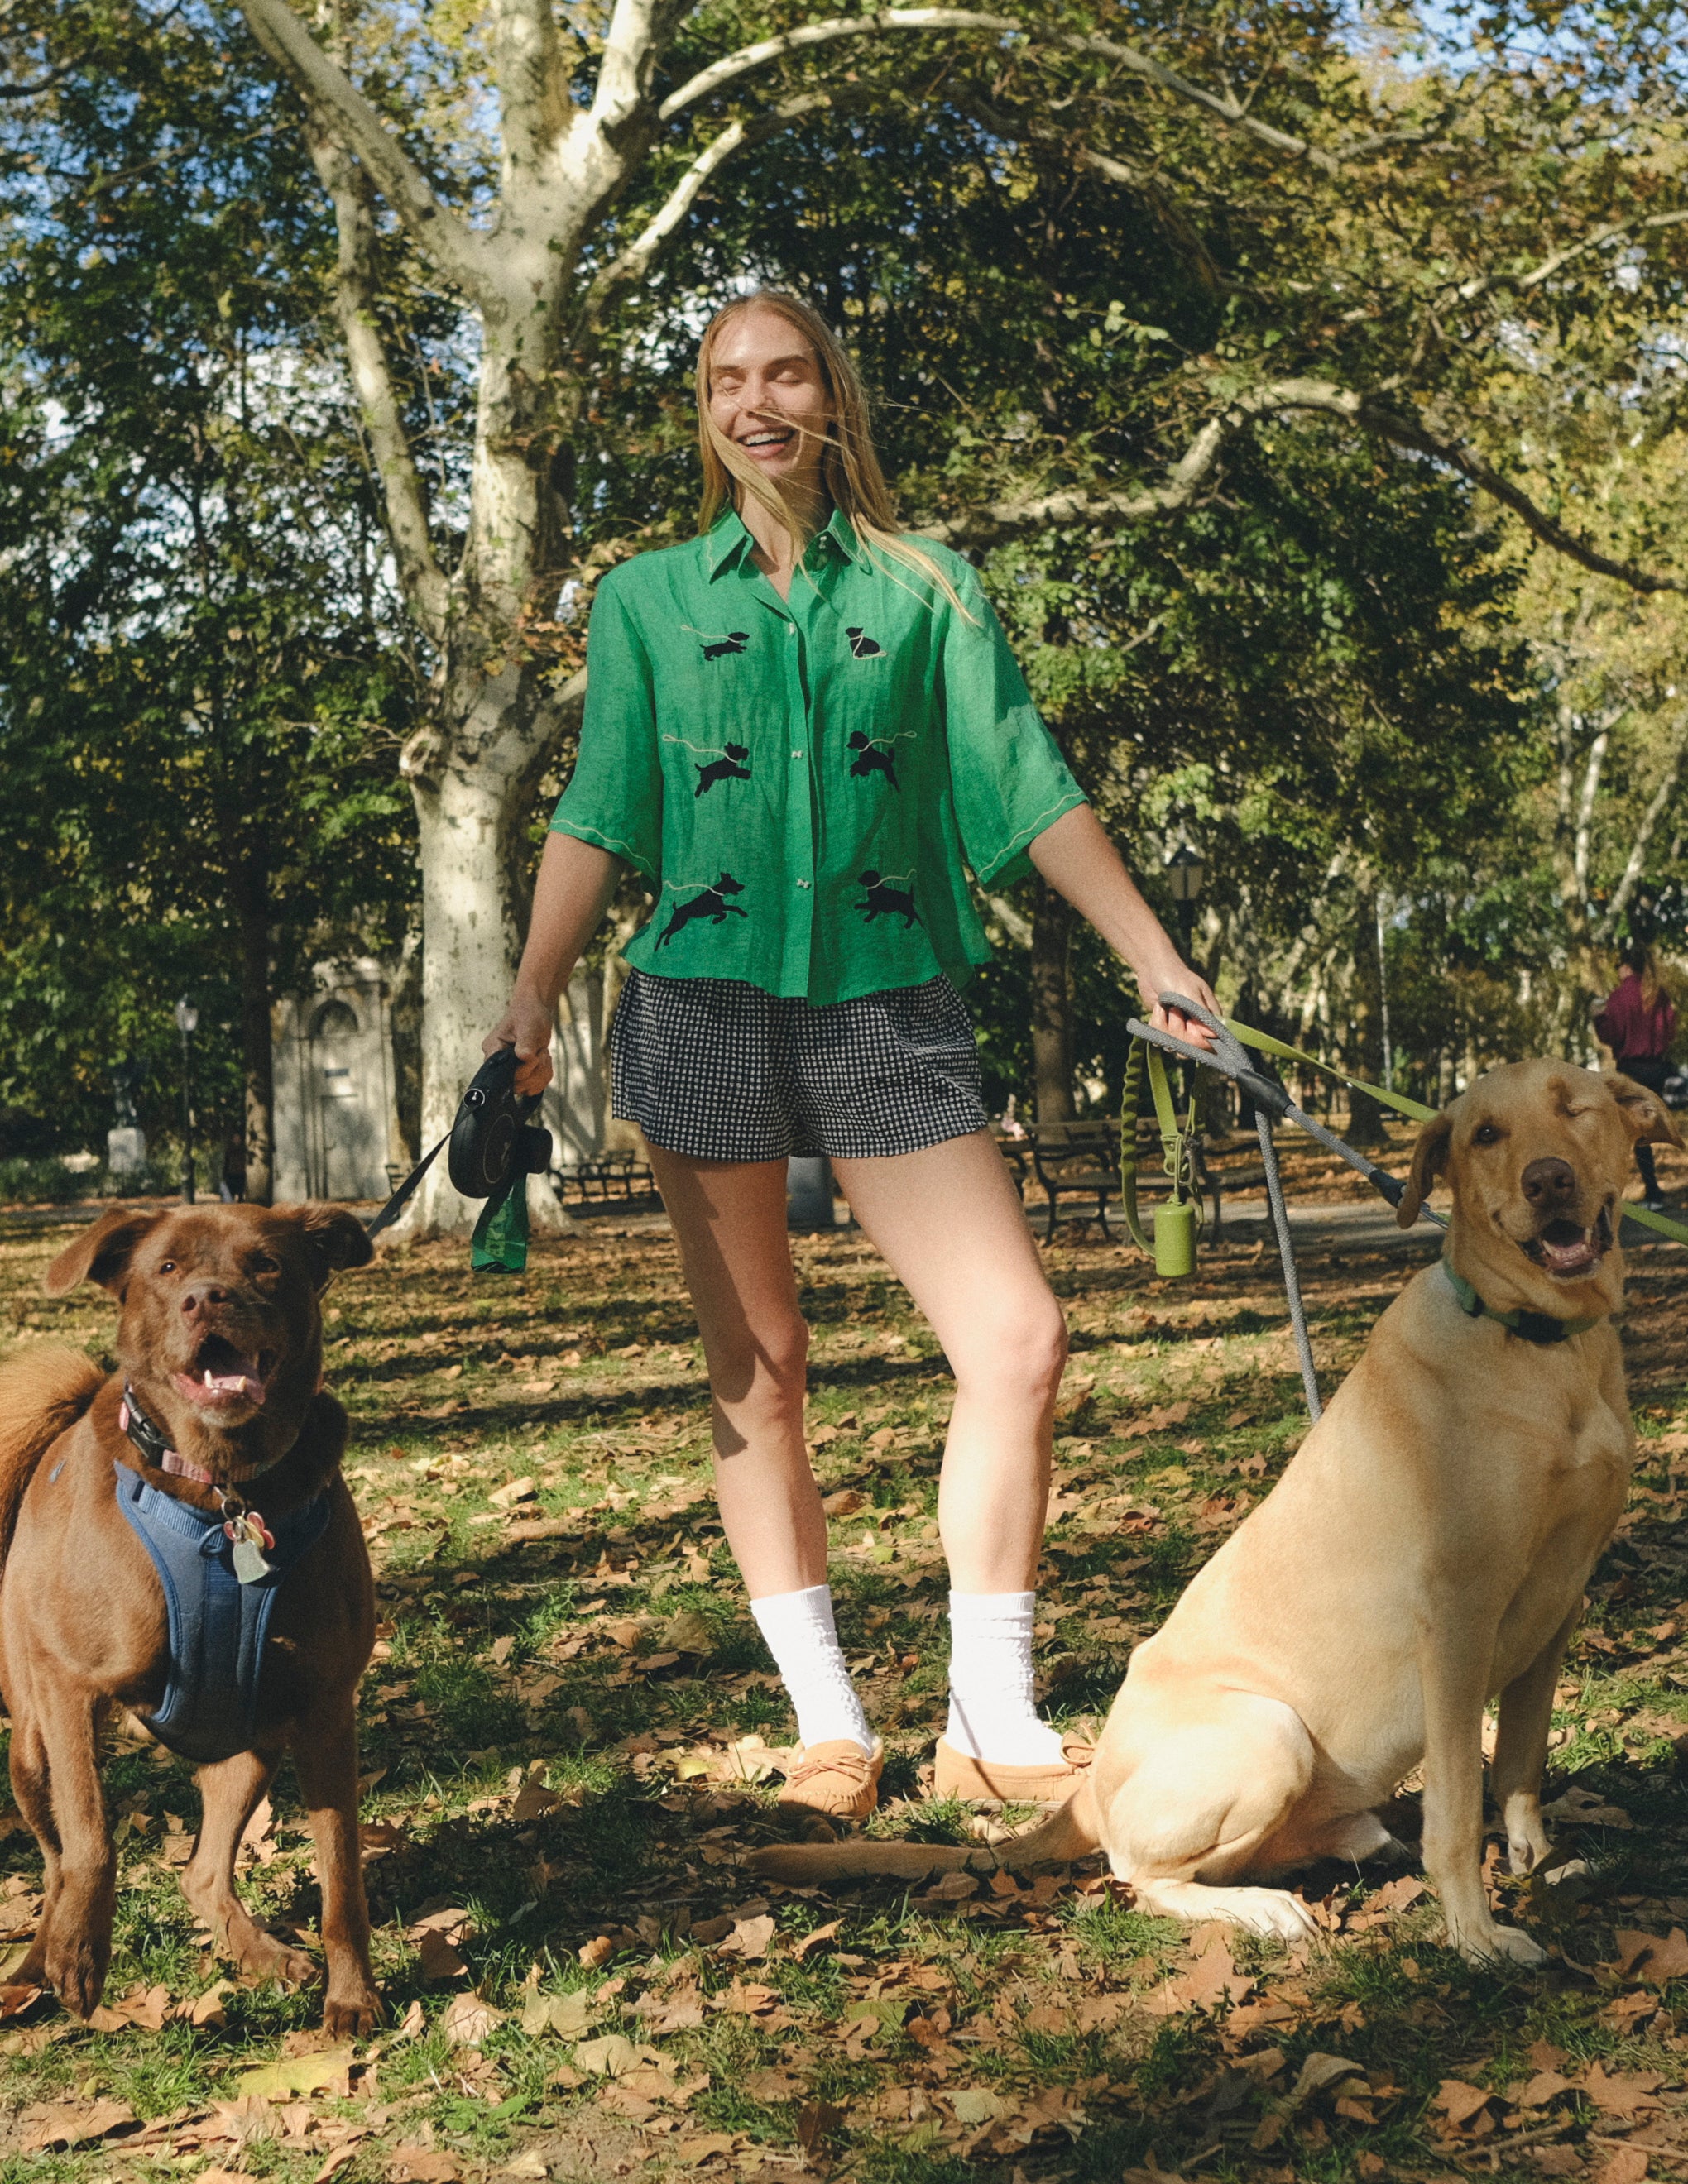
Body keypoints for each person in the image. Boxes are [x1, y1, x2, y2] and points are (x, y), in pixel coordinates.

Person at [486, 290, 1217, 1820]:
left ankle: (991, 1715)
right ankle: (830, 1723)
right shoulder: (645, 600)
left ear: (834, 397)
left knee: (1015, 1340)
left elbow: (1026, 785)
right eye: (723, 381)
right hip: (700, 1004)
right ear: (702, 412)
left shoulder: (931, 589)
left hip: (891, 997)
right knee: (761, 1369)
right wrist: (532, 996)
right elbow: (602, 807)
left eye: (784, 372)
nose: (754, 401)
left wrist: (1154, 956)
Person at [1595, 944, 1678, 1210]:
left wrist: (1598, 1019)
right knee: (1662, 1126)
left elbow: (1612, 1035)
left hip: (1632, 1070)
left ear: (1625, 967)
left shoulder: (1619, 997)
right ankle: (1653, 1193)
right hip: (1659, 1066)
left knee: (1640, 1134)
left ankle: (1653, 1195)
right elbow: (1670, 1030)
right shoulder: (1658, 993)